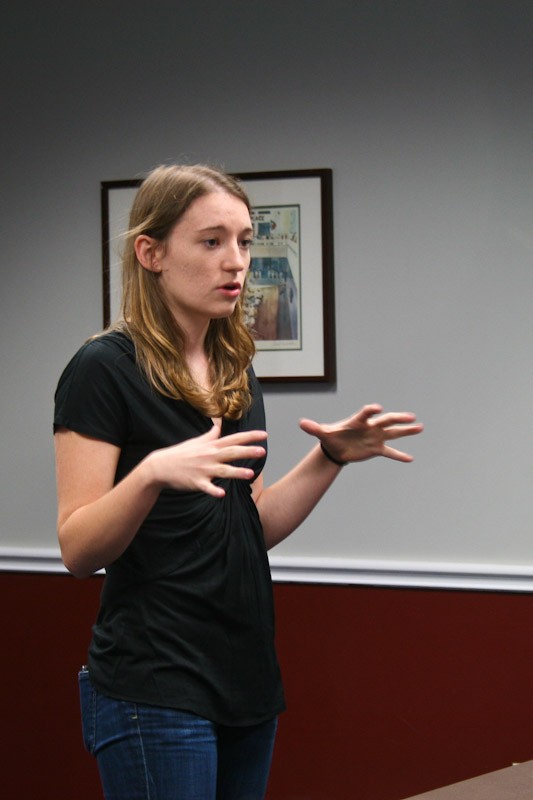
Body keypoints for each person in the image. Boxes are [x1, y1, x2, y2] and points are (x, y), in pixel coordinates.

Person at [53, 163, 423, 800]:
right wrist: (149, 475)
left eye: (245, 242)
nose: (236, 261)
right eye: (211, 241)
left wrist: (327, 458)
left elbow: (247, 524)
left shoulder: (236, 369)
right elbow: (78, 549)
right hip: (155, 684)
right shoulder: (103, 369)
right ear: (151, 253)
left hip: (246, 679)